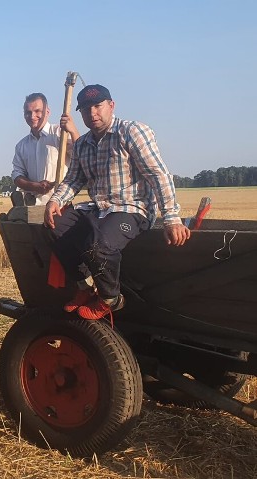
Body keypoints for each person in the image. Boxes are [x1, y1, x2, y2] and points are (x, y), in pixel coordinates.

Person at [45, 84, 191, 320]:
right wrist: (55, 200)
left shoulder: (132, 132)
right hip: (99, 208)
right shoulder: (83, 144)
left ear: (111, 106)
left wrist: (171, 218)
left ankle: (110, 298)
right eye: (85, 109)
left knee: (98, 247)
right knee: (55, 225)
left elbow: (158, 174)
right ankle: (84, 288)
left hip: (132, 208)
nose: (92, 113)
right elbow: (72, 180)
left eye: (97, 106)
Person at [11, 93, 80, 205]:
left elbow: (81, 157)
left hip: (60, 206)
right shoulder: (21, 146)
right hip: (32, 207)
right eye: (28, 112)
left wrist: (73, 131)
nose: (32, 116)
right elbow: (17, 175)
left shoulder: (60, 133)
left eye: (37, 111)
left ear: (47, 112)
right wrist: (35, 186)